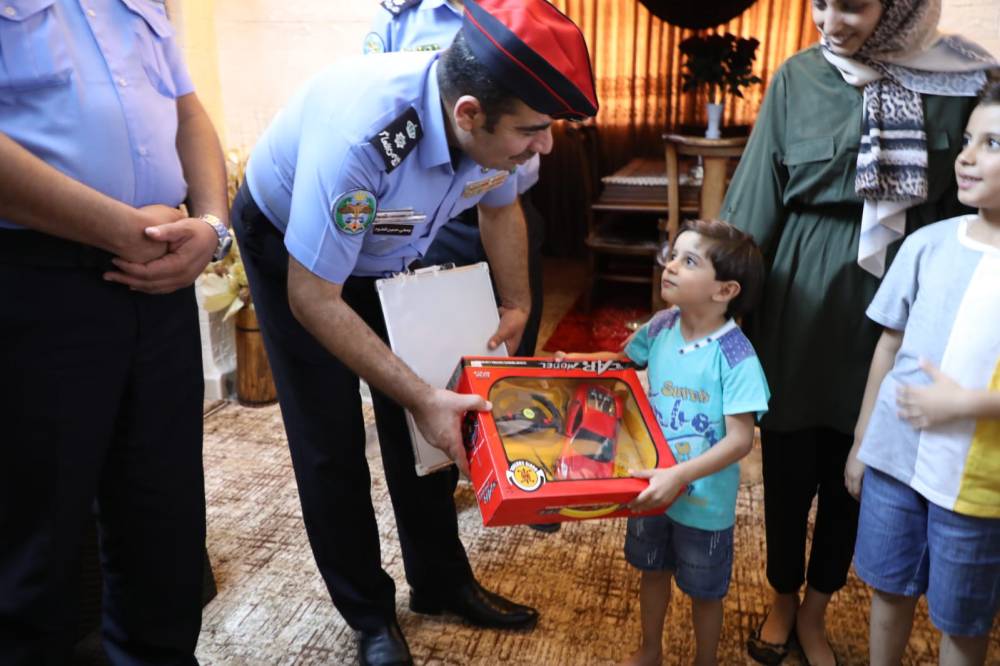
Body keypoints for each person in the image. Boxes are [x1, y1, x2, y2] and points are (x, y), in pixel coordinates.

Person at [230, 1, 598, 664]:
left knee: (438, 412)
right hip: (294, 251)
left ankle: (440, 580)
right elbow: (314, 299)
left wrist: (516, 302)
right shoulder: (362, 139)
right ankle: (369, 614)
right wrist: (418, 396)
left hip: (392, 244)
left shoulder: (487, 125)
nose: (544, 146)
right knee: (330, 435)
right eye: (533, 130)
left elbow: (501, 207)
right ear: (469, 115)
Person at [719, 1, 997, 663]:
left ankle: (818, 607)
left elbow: (972, 209)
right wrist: (718, 303)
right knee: (787, 461)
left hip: (906, 295)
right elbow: (753, 203)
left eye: (852, 5)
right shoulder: (798, 77)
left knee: (863, 463)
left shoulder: (963, 78)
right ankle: (783, 598)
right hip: (801, 293)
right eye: (819, 2)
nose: (829, 21)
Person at [0, 2, 229, 664]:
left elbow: (187, 109)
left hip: (158, 285)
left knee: (165, 528)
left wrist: (212, 226)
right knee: (33, 547)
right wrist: (125, 230)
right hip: (34, 281)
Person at [560, 219, 770, 666]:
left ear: (725, 290)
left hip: (703, 504)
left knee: (704, 592)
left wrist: (678, 475)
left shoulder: (736, 356)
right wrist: (578, 362)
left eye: (688, 261)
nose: (670, 266)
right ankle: (650, 650)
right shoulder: (660, 326)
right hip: (650, 487)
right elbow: (623, 362)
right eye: (672, 255)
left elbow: (740, 441)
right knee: (651, 571)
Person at [845, 79, 1000, 666]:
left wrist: (965, 405)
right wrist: (862, 442)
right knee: (888, 587)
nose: (966, 156)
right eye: (966, 140)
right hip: (895, 460)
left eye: (992, 143)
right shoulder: (928, 244)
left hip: (977, 485)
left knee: (962, 617)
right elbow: (889, 346)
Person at [364, 0, 547, 361]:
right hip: (433, 220)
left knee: (513, 344)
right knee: (436, 351)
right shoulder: (401, 16)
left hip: (509, 204)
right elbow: (378, 105)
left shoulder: (529, 10)